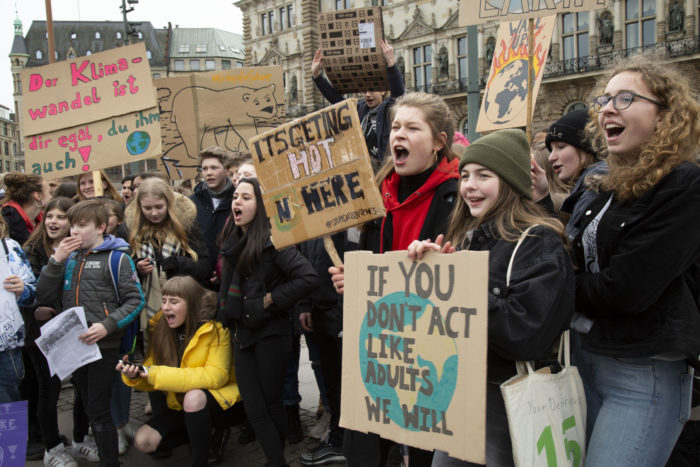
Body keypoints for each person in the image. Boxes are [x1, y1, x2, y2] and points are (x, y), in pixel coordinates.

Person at [406, 129, 575, 466]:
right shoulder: (470, 237)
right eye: (465, 175)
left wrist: (458, 284)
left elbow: (524, 333)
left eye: (484, 175)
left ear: (511, 181)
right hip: (461, 395)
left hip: (507, 399)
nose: (469, 185)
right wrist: (427, 272)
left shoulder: (540, 242)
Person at [571, 55, 700, 465]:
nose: (606, 107)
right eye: (604, 99)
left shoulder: (685, 184)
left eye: (625, 98)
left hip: (640, 375)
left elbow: (626, 290)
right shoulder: (606, 185)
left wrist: (558, 286)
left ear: (664, 116)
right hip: (585, 359)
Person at [327, 92, 460, 467]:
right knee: (363, 450)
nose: (398, 134)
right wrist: (352, 281)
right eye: (396, 126)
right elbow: (366, 258)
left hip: (428, 351)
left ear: (438, 142)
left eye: (412, 128)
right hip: (378, 343)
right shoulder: (375, 194)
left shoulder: (459, 196)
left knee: (421, 453)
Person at [35, 199, 145, 467]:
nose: (74, 231)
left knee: (98, 410)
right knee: (88, 405)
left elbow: (135, 300)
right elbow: (43, 295)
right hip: (74, 345)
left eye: (82, 226)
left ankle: (110, 462)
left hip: (104, 346)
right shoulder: (69, 258)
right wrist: (55, 262)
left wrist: (106, 326)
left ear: (102, 227)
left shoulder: (118, 258)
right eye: (72, 226)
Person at [218, 178, 317, 467]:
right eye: (235, 196)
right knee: (254, 407)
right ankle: (277, 461)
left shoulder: (274, 241)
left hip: (271, 334)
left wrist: (272, 298)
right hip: (241, 332)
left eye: (246, 198)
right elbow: (226, 291)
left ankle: (276, 462)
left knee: (271, 406)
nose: (237, 202)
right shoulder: (232, 242)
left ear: (261, 207)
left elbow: (308, 277)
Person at [117, 276, 240, 467]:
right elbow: (151, 370)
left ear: (191, 304)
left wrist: (155, 373)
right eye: (164, 301)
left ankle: (202, 457)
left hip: (223, 401)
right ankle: (203, 434)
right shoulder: (162, 328)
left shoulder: (215, 328)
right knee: (143, 441)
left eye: (174, 302)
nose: (166, 307)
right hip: (182, 405)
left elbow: (216, 376)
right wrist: (135, 375)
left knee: (194, 397)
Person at [24, 197, 96, 467]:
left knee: (82, 385)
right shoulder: (32, 248)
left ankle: (79, 439)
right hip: (41, 334)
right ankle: (52, 446)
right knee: (49, 390)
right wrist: (36, 308)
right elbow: (31, 292)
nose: (54, 221)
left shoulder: (84, 249)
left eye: (61, 217)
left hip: (75, 330)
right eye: (50, 215)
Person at [127, 178, 212, 337]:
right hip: (147, 309)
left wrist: (180, 263)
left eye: (159, 207)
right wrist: (137, 268)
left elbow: (205, 266)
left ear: (169, 204)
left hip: (186, 307)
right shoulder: (131, 231)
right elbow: (124, 271)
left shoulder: (186, 226)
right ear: (139, 208)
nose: (154, 213)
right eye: (147, 208)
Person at [311, 39, 405, 172]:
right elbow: (336, 100)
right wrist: (317, 76)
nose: (367, 95)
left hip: (382, 171)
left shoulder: (388, 110)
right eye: (364, 91)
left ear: (382, 91)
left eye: (371, 90)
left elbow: (398, 94)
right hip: (362, 170)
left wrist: (391, 64)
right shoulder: (359, 109)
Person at [0, 213, 36, 401]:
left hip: (5, 348)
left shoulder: (8, 248)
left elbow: (32, 295)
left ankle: (15, 433)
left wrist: (22, 290)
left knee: (9, 412)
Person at [190, 147, 235, 287]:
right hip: (197, 279)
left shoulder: (238, 200)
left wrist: (222, 271)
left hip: (229, 278)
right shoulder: (191, 203)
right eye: (204, 169)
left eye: (214, 168)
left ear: (226, 170)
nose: (209, 173)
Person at [1, 172, 51, 244]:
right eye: (49, 192)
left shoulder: (43, 220)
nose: (52, 197)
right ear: (37, 196)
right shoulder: (8, 219)